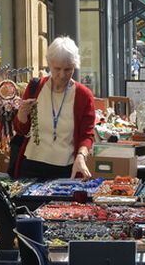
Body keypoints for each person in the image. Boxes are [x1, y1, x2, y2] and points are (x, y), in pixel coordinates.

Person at [9, 36, 96, 180]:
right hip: (31, 165)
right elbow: (21, 130)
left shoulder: (83, 95)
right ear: (49, 64)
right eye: (57, 69)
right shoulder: (35, 88)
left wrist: (81, 155)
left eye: (68, 69)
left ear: (74, 66)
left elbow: (87, 135)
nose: (62, 75)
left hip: (66, 169)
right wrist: (22, 116)